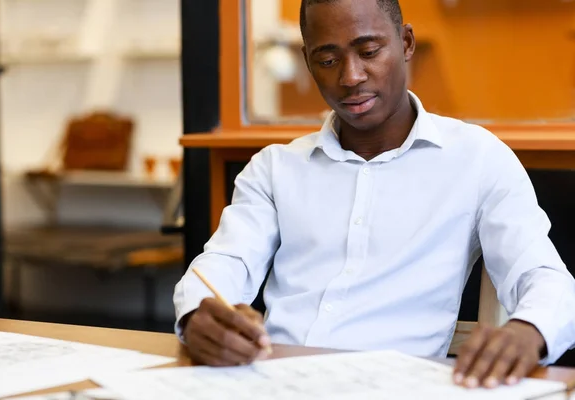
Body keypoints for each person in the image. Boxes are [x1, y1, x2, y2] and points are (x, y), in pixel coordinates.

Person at [173, 0, 575, 389]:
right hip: (270, 381)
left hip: (394, 387)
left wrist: (529, 329)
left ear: (406, 43)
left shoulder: (477, 159)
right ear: (308, 60)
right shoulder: (274, 168)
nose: (350, 77)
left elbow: (543, 276)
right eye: (327, 60)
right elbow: (223, 264)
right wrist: (197, 315)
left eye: (368, 51)